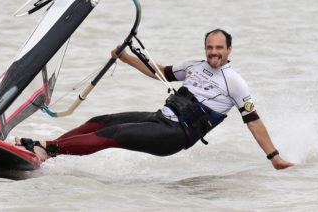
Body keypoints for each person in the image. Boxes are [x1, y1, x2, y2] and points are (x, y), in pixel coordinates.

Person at [15, 28, 294, 170]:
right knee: (99, 121)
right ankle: (48, 151)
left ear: (229, 49)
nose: (213, 52)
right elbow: (159, 72)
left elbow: (253, 121)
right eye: (209, 47)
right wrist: (126, 58)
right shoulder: (194, 66)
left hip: (174, 136)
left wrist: (274, 157)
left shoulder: (234, 82)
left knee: (112, 134)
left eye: (219, 48)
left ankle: (46, 149)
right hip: (160, 119)